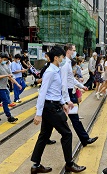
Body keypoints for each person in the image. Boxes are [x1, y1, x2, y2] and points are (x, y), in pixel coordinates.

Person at [31, 46, 86, 174]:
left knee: (44, 136)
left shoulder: (55, 70)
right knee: (67, 134)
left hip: (54, 105)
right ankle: (69, 164)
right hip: (51, 108)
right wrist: (38, 114)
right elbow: (43, 92)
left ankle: (36, 165)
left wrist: (63, 102)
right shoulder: (50, 72)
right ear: (56, 58)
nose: (63, 59)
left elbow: (55, 91)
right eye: (61, 57)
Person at [61, 44, 98, 147]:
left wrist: (81, 86)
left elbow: (71, 79)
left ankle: (85, 139)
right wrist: (67, 99)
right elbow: (63, 82)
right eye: (74, 50)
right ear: (68, 51)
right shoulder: (65, 64)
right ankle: (45, 138)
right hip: (66, 94)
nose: (75, 52)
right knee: (55, 120)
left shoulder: (67, 63)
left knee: (74, 118)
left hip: (69, 93)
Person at [0, 52, 20, 123]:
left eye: (6, 59)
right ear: (0, 58)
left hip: (5, 86)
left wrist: (17, 84)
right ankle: (9, 117)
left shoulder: (5, 65)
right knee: (5, 101)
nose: (5, 61)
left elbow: (10, 76)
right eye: (4, 59)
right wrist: (5, 76)